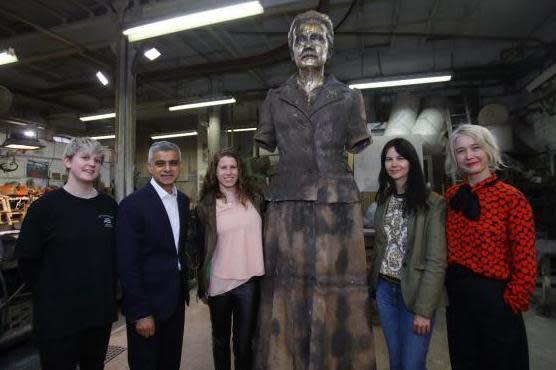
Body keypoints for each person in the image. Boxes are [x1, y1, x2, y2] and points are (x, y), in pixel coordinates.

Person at [253, 10, 375, 369]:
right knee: (285, 291)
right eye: (301, 39)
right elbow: (267, 142)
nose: (308, 45)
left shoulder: (349, 98)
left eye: (316, 38)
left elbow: (356, 141)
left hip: (336, 208)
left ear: (329, 47)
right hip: (286, 205)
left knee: (339, 292)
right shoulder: (274, 99)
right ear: (291, 49)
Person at [15, 137, 117, 370]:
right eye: (85, 157)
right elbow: (27, 262)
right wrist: (53, 294)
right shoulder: (44, 208)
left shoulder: (109, 207)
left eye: (98, 160)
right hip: (57, 318)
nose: (92, 163)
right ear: (68, 161)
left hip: (97, 314)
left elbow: (114, 257)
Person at [444, 124, 536, 370]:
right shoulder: (452, 196)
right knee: (465, 362)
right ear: (454, 158)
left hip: (497, 298)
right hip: (459, 299)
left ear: (489, 151)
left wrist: (511, 302)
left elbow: (525, 258)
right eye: (461, 151)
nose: (469, 156)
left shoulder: (511, 198)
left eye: (476, 148)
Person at [368, 138, 447, 370]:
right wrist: (373, 287)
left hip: (415, 293)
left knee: (412, 363)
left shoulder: (432, 203)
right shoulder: (384, 200)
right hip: (385, 291)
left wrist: (424, 310)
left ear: (412, 161)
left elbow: (436, 260)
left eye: (400, 158)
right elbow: (381, 246)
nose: (394, 164)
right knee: (396, 360)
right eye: (388, 159)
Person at [116, 141, 190, 370]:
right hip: (147, 304)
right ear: (149, 167)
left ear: (180, 166)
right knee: (145, 364)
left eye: (173, 163)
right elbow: (127, 263)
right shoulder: (132, 206)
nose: (167, 169)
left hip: (175, 300)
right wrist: (140, 312)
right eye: (160, 163)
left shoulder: (183, 201)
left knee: (170, 362)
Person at [195, 149, 264, 370]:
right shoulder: (205, 206)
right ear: (215, 172)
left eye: (233, 167)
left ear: (240, 170)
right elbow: (198, 247)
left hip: (249, 281)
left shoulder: (256, 198)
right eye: (223, 167)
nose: (228, 172)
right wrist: (201, 283)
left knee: (245, 344)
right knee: (220, 341)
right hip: (219, 282)